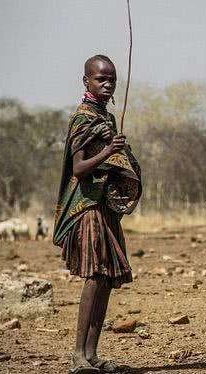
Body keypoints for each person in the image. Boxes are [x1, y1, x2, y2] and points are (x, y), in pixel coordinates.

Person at [52, 55, 142, 374]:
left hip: (105, 207)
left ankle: (92, 356)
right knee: (94, 275)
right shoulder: (82, 117)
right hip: (87, 206)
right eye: (101, 79)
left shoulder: (107, 117)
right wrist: (108, 151)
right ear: (86, 80)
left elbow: (112, 163)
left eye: (112, 80)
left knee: (105, 278)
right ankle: (77, 356)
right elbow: (78, 168)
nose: (107, 85)